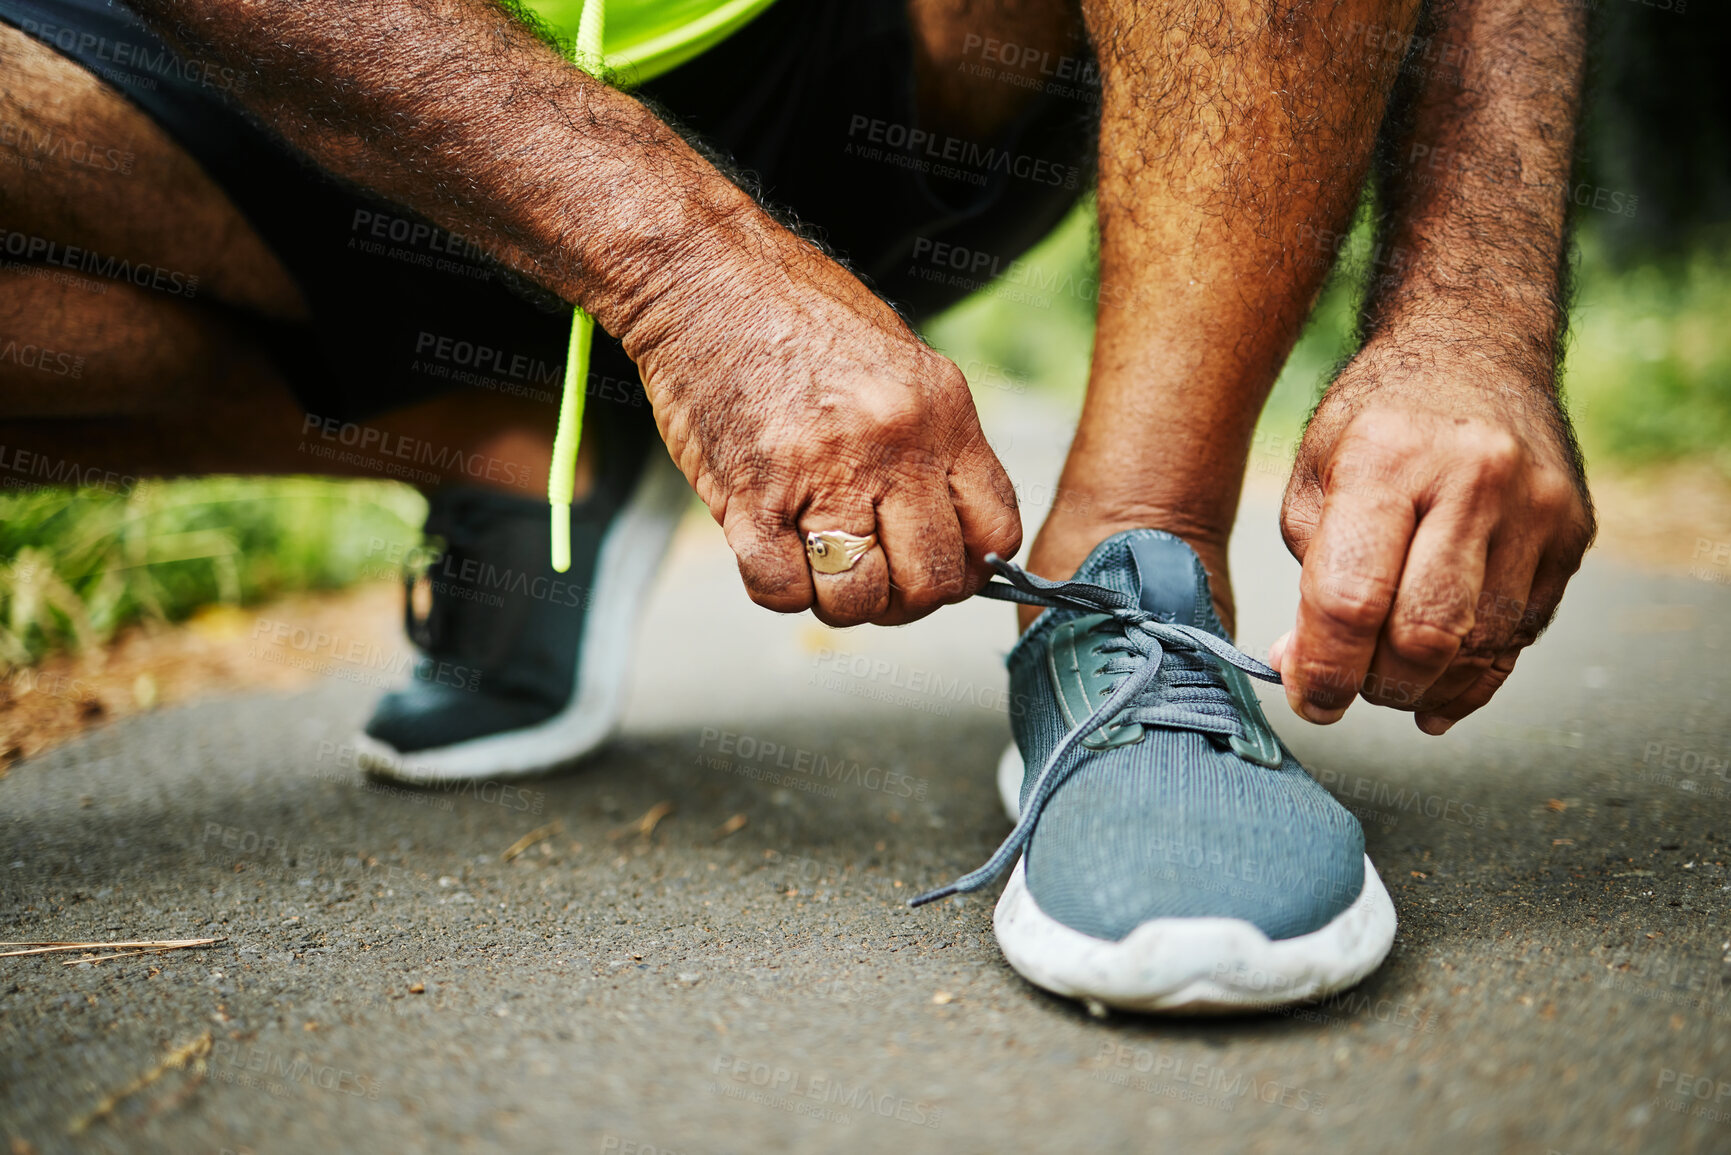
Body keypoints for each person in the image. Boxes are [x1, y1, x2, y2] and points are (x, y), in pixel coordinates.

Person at [0, 0, 1594, 1013]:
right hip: (281, 77)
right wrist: (682, 279)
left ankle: (1134, 568)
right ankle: (489, 441)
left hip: (869, 57)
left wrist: (1476, 311)